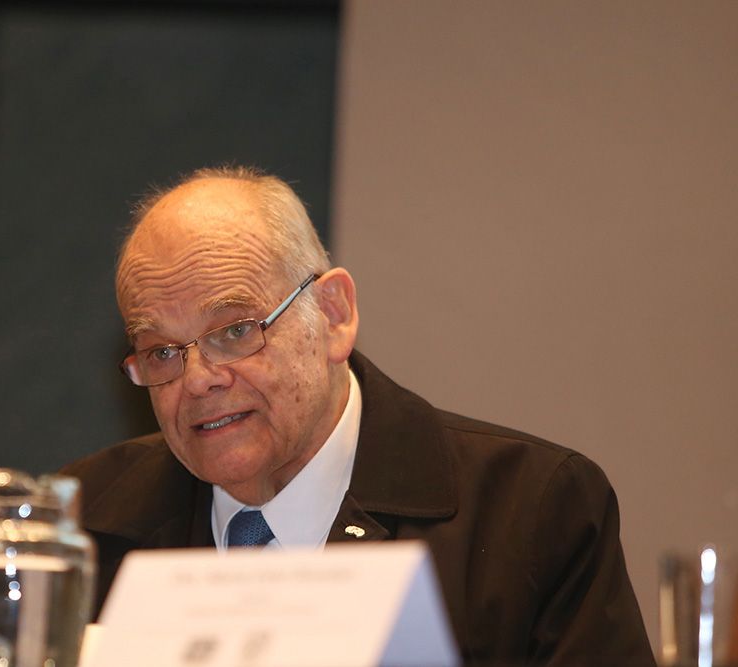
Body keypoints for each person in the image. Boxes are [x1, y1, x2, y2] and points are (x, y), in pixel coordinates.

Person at [61, 165, 655, 665]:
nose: (198, 380)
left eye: (236, 330)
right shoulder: (81, 523)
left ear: (333, 314)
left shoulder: (532, 511)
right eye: (163, 352)